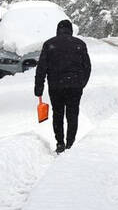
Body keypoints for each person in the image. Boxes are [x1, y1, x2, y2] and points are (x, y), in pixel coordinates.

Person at [34, 19, 91, 153]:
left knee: (57, 114)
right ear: (70, 30)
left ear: (58, 30)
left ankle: (60, 142)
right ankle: (70, 143)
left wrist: (39, 88)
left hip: (56, 86)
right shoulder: (80, 44)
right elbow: (87, 67)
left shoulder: (49, 44)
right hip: (75, 86)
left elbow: (41, 68)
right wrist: (81, 83)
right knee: (73, 114)